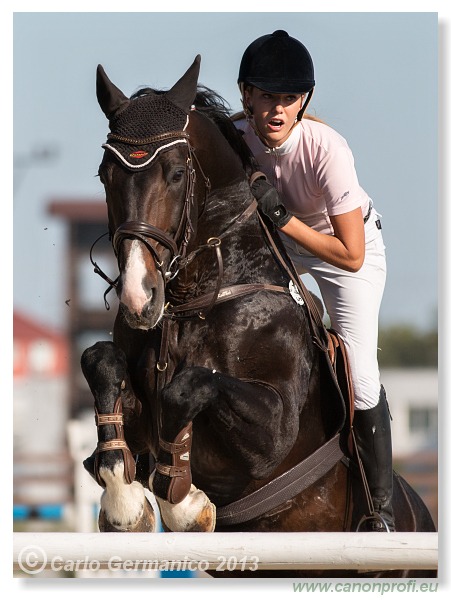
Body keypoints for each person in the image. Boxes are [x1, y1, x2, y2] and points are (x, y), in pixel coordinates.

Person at [234, 30, 394, 532]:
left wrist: (281, 219)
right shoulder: (233, 134)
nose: (277, 111)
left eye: (288, 99)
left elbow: (350, 254)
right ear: (246, 95)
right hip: (283, 246)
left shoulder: (328, 149)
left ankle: (378, 511)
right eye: (266, 97)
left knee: (361, 375)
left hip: (347, 252)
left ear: (303, 101)